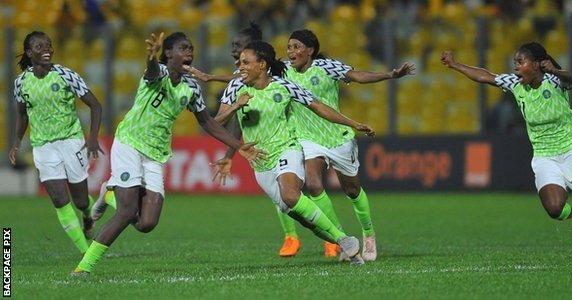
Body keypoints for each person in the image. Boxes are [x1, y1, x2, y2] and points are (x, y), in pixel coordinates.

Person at [72, 32, 261, 275]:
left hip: (156, 152)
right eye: (183, 48)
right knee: (127, 212)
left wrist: (238, 145)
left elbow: (208, 123)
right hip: (130, 142)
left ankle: (110, 193)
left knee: (147, 223)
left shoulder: (192, 87)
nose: (189, 53)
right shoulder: (158, 73)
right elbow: (151, 70)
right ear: (168, 54)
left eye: (191, 49)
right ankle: (83, 267)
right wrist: (151, 56)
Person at [192, 41, 376, 265]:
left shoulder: (284, 86)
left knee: (290, 194)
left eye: (246, 62)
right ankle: (344, 242)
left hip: (287, 149)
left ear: (262, 65)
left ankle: (346, 241)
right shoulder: (235, 88)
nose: (240, 67)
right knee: (306, 219)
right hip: (261, 164)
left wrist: (352, 123)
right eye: (239, 62)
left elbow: (319, 107)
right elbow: (212, 124)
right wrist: (234, 108)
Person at [441, 42, 572, 261]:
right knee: (555, 209)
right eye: (514, 63)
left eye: (520, 62)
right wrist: (455, 65)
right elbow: (485, 76)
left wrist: (555, 70)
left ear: (536, 65)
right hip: (545, 155)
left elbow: (570, 80)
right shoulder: (515, 84)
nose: (516, 67)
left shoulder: (554, 81)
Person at [283, 29, 415, 261]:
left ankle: (368, 233)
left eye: (296, 47)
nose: (291, 51)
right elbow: (255, 74)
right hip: (308, 139)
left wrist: (391, 75)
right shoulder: (283, 70)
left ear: (310, 50)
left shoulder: (326, 67)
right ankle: (342, 239)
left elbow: (358, 76)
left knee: (352, 190)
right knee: (313, 186)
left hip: (337, 137)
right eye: (289, 47)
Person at [187, 22, 304, 258]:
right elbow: (243, 120)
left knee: (308, 187)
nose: (233, 51)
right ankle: (293, 236)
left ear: (255, 54)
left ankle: (332, 235)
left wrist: (210, 78)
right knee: (286, 192)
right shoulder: (241, 79)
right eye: (232, 46)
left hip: (294, 135)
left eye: (238, 47)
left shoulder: (276, 75)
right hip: (264, 141)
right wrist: (231, 153)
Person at [10, 31, 103, 254]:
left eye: (49, 45)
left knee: (80, 200)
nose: (47, 50)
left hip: (71, 141)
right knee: (60, 200)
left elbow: (96, 105)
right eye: (40, 47)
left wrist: (92, 137)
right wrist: (16, 143)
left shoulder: (65, 75)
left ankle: (88, 216)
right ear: (30, 52)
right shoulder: (21, 83)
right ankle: (85, 253)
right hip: (43, 147)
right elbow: (22, 115)